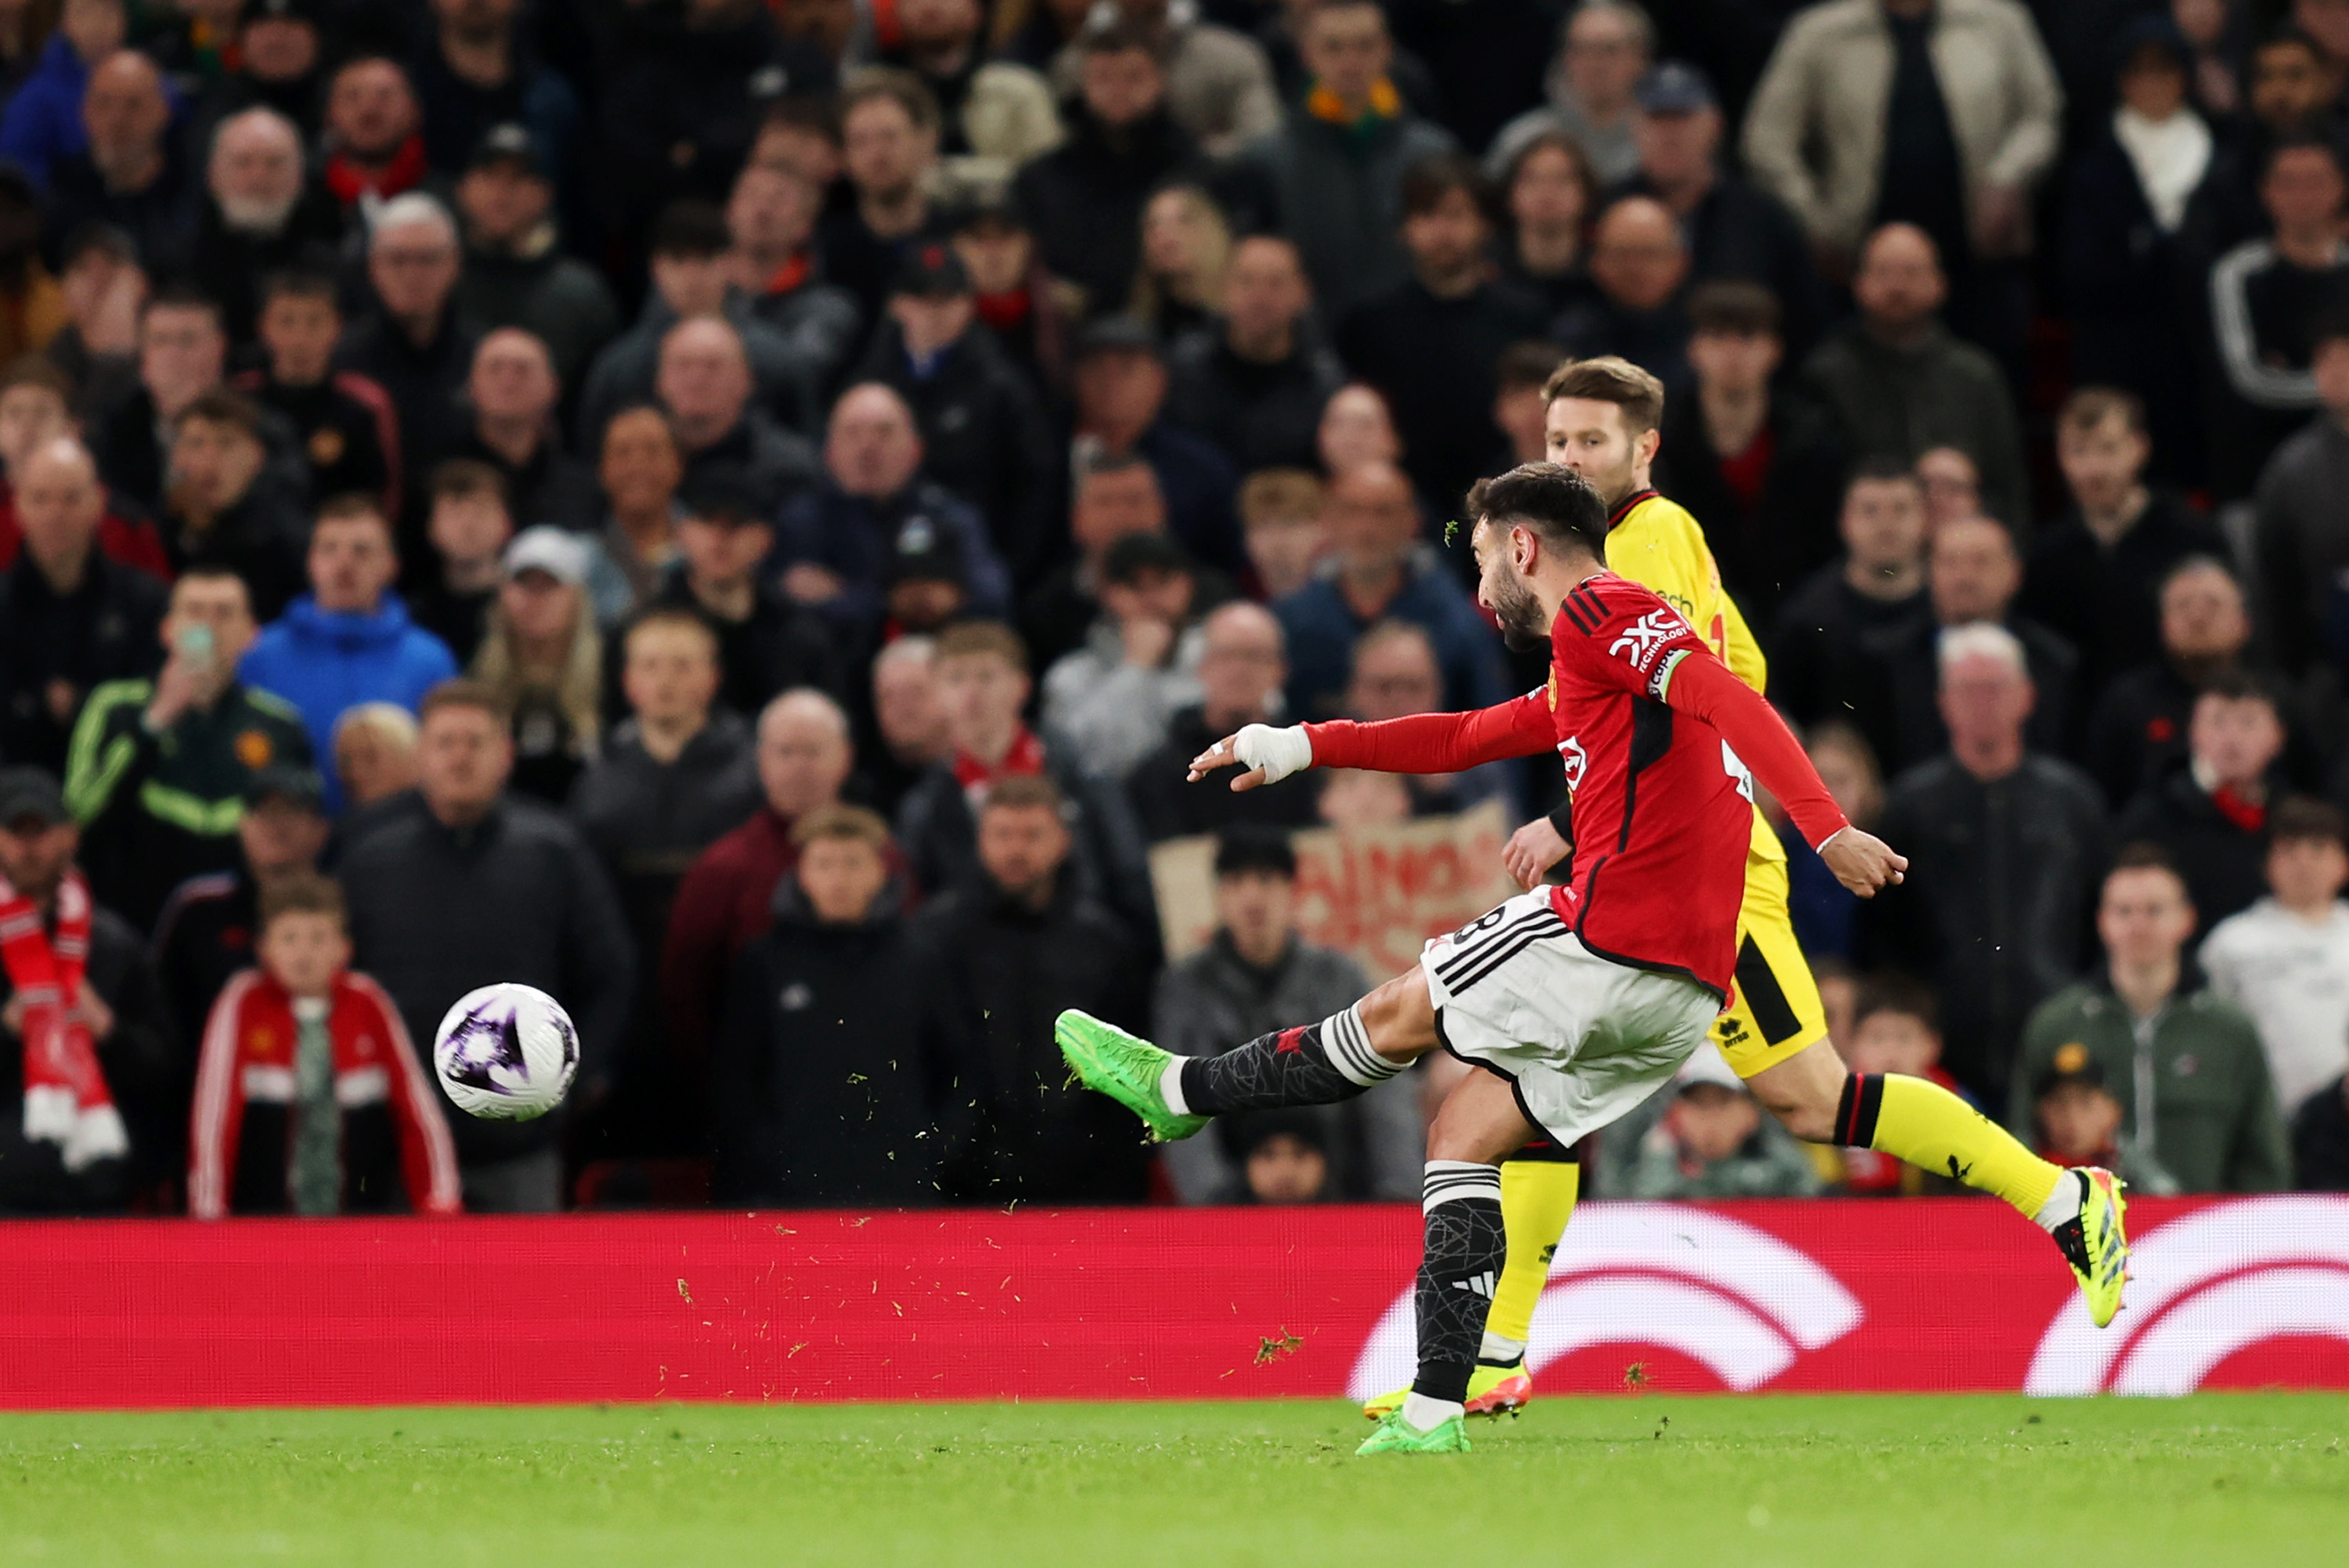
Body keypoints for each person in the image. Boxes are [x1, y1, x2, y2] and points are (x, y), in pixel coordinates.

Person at [1065, 463, 2113, 1458]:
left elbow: (1731, 699)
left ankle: (1181, 1087)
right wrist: (1303, 742)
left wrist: (1825, 824)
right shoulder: (1587, 660)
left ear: (1524, 546)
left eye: (1481, 560)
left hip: (1611, 936)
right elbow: (1473, 733)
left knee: (1394, 1015)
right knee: (1466, 1130)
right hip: (1676, 988)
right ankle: (1443, 1401)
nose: (1478, 589)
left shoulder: (1601, 608)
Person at [336, 679, 633, 1213]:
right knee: (401, 1295)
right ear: (421, 755)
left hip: (521, 1139)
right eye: (445, 742)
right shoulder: (366, 853)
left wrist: (571, 1081)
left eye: (476, 742)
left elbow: (612, 973)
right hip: (397, 1137)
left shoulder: (554, 850)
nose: (460, 757)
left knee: (524, 1291)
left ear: (506, 755)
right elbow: (334, 982)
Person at [1862, 624, 2111, 1103]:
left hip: (2055, 1040)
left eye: (1995, 687)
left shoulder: (2072, 802)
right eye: (1967, 689)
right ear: (1944, 701)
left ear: (2026, 696)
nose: (1982, 702)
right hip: (1941, 1047)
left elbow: (2099, 913)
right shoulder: (1909, 808)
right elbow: (1881, 932)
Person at [1741, 0, 2061, 370]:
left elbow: (2042, 113)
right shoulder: (1819, 32)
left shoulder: (2000, 21)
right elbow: (1766, 140)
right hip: (1851, 261)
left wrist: (2009, 177)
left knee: (1990, 376)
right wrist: (1813, 220)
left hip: (1979, 255)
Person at [710, 803, 973, 1205]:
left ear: (881, 871)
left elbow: (961, 1067)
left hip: (902, 1191)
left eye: (853, 864)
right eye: (825, 864)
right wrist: (767, 1160)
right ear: (802, 874)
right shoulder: (766, 961)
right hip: (790, 1195)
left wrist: (933, 1153)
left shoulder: (920, 959)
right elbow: (737, 1078)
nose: (838, 879)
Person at [568, 608, 760, 1159]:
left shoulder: (750, 778)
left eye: (682, 664)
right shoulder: (595, 784)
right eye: (651, 665)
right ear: (629, 681)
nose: (667, 679)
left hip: (724, 1011)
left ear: (712, 678)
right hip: (628, 1017)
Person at [917, 772, 1150, 1202]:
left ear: (1064, 840)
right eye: (1002, 834)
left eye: (1032, 834)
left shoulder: (1104, 942)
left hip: (1083, 1183)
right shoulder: (936, 937)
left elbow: (1129, 1068)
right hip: (963, 1185)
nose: (1016, 849)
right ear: (980, 840)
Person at [1154, 826, 1416, 1205]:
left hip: (1336, 1186)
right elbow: (1175, 1099)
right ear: (1220, 896)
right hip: (1232, 1193)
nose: (1252, 897)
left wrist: (1399, 1194)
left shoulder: (1340, 978)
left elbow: (1386, 1091)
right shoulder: (1185, 987)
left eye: (1266, 880)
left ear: (1294, 892)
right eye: (1237, 882)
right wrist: (1212, 1204)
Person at [2012, 845, 2291, 1194]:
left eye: (2154, 911)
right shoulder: (2056, 1025)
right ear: (2102, 921)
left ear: (2186, 919)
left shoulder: (2230, 1030)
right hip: (2084, 1236)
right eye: (2124, 911)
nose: (2138, 925)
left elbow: (2262, 1159)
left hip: (2203, 1236)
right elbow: (2019, 1147)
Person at [186, 871, 462, 1218]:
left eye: (318, 939)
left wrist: (440, 1202)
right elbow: (214, 1117)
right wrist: (209, 1212)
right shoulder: (242, 1002)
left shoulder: (369, 1002)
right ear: (264, 949)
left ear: (344, 949)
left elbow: (419, 1113)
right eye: (289, 939)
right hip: (262, 1223)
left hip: (360, 1222)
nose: (304, 953)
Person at [63, 564, 311, 932]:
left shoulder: (280, 723)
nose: (209, 626)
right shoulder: (116, 706)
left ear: (252, 634)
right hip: (131, 921)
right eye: (195, 611)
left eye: (225, 613)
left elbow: (298, 836)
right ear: (167, 629)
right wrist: (154, 723)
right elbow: (79, 817)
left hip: (242, 925)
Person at [894, 619, 1156, 943]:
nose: (971, 694)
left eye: (986, 677)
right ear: (936, 695)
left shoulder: (1083, 773)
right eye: (955, 679)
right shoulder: (925, 804)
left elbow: (1128, 874)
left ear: (1021, 687)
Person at [660, 687, 866, 1073]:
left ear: (846, 758)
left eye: (813, 752)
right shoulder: (722, 869)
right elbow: (685, 996)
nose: (799, 766)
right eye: (785, 752)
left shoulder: (885, 860)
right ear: (761, 762)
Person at [0, 763, 174, 1214]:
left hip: (100, 1188)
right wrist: (5, 1030)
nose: (29, 845)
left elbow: (166, 1066)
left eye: (41, 830)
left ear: (71, 836)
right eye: (15, 831)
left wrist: (110, 1031)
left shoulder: (115, 942)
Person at [1335, 154, 1546, 521]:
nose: (1442, 231)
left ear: (1484, 224)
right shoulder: (1372, 322)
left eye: (1455, 215)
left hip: (1508, 500)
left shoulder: (1524, 319)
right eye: (1427, 215)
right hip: (1403, 506)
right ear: (1405, 228)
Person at [2059, 21, 2213, 486]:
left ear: (2184, 77)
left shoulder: (2220, 153)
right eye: (2139, 72)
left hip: (2196, 343)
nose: (2152, 83)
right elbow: (2078, 265)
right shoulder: (2093, 165)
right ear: (2121, 82)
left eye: (2163, 70)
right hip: (2119, 344)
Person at [1799, 223, 2028, 530]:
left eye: (1911, 273)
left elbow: (2008, 490)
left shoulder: (1976, 376)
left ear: (1940, 284)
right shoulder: (1827, 376)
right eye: (1884, 273)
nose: (1897, 287)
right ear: (1859, 284)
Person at [238, 494, 458, 814]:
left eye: (362, 550)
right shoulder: (260, 654)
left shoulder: (429, 660)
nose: (344, 563)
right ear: (310, 562)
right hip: (291, 835)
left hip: (398, 838)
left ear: (391, 565)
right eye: (329, 549)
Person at [848, 241, 1057, 578]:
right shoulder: (869, 380)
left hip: (970, 562)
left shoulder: (1001, 385)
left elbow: (1032, 482)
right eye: (921, 299)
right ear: (897, 305)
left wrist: (1011, 568)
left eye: (946, 300)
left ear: (967, 306)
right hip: (876, 558)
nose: (934, 312)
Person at [1236, 0, 1455, 320]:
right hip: (1309, 341)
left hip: (1412, 336)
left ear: (1387, 50)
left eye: (1365, 46)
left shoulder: (1433, 154)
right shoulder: (1265, 161)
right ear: (1307, 54)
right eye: (1333, 48)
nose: (1351, 62)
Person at [2019, 388, 2224, 716]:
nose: (2093, 469)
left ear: (2140, 448)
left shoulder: (2192, 539)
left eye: (2108, 450)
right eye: (2079, 452)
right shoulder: (2045, 558)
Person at [1651, 281, 1846, 625]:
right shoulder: (1659, 445)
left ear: (1774, 350)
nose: (1732, 353)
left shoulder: (1815, 440)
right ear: (1694, 350)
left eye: (1747, 337)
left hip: (1796, 622)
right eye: (1717, 337)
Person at [1618, 61, 1826, 356]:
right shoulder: (1608, 211)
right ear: (1634, 127)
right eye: (1657, 118)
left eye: (1683, 118)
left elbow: (1804, 318)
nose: (1670, 134)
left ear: (1715, 124)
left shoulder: (1762, 219)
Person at [1848, 514, 2080, 779]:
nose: (1965, 577)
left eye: (1981, 562)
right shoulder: (1882, 662)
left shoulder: (2053, 662)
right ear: (1929, 571)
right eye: (1950, 562)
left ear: (2015, 572)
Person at [1272, 461, 1506, 721]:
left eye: (1383, 513)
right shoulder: (1292, 622)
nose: (1367, 530)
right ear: (1329, 520)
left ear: (1412, 522)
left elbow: (1496, 728)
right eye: (1353, 512)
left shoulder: (1457, 624)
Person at [576, 200, 815, 452]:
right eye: (678, 260)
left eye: (706, 259)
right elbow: (592, 457)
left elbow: (805, 444)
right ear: (656, 267)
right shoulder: (619, 367)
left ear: (731, 263)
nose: (692, 276)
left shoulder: (775, 360)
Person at [1013, 23, 1204, 319]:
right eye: (1103, 78)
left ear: (1162, 80)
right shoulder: (1041, 180)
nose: (1118, 91)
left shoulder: (1198, 172)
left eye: (1134, 77)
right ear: (1082, 84)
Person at [0, 433, 163, 776]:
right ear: (18, 508)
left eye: (71, 499)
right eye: (40, 499)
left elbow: (156, 706)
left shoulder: (144, 601)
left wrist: (83, 704)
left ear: (98, 503)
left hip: (123, 787)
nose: (55, 514)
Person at [150, 761, 330, 1055]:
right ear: (242, 826)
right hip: (215, 1082)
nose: (277, 826)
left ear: (321, 830)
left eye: (292, 812)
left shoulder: (342, 908)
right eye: (264, 813)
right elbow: (161, 1012)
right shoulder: (197, 907)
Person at [2206, 139, 2349, 499]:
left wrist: (2295, 371)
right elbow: (2249, 379)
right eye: (2288, 183)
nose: (2303, 196)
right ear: (2265, 191)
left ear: (2340, 187)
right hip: (2259, 466)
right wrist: (2335, 388)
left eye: (2316, 181)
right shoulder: (2237, 274)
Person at [647, 467, 840, 723]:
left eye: (736, 523)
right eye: (708, 520)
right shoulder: (646, 632)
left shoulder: (800, 637)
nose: (720, 537)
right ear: (682, 533)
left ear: (765, 539)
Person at [334, 193, 478, 530]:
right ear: (374, 268)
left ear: (454, 264)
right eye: (398, 260)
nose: (413, 275)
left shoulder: (484, 360)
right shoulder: (342, 361)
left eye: (428, 260)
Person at [2200, 796, 2349, 1121]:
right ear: (2268, 863)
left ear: (2343, 862)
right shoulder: (2233, 943)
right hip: (2267, 1118)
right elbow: (2213, 1034)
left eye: (2318, 848)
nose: (2304, 863)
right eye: (2290, 850)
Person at [447, 123, 617, 398]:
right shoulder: (435, 284)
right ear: (463, 189)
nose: (501, 192)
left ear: (545, 195)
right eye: (489, 175)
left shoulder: (582, 295)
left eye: (518, 178)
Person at [1129, 600, 1318, 843]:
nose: (1239, 669)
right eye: (1227, 655)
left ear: (1280, 671)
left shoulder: (1308, 769)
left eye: (1254, 656)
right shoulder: (1157, 777)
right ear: (1202, 666)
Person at [2116, 671, 2288, 935]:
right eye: (2218, 722)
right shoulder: (2153, 816)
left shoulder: (2294, 817)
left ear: (2278, 737)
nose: (2232, 738)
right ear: (2193, 733)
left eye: (2248, 723)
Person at [1069, 316, 1243, 577]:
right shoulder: (1046, 458)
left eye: (1127, 369)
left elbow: (1227, 562)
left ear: (1159, 380)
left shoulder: (1202, 469)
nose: (1110, 382)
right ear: (1076, 380)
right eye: (1097, 369)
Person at [1163, 232, 1342, 478]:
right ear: (1223, 290)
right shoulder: (1181, 375)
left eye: (1275, 283)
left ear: (1303, 293)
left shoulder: (1327, 386)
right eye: (1246, 281)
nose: (1260, 297)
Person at [2084, 556, 2257, 809]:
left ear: (2245, 623)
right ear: (2163, 625)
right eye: (2184, 605)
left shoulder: (2274, 701)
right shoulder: (2127, 702)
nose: (2198, 618)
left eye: (2213, 605)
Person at [233, 268, 399, 518]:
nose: (300, 338)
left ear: (337, 327)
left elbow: (385, 496)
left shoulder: (364, 403)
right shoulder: (238, 400)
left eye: (315, 322)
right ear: (263, 327)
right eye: (286, 322)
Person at [175, 105, 343, 350]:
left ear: (299, 177)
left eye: (274, 163)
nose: (259, 178)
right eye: (243, 163)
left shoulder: (334, 270)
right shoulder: (178, 267)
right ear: (213, 176)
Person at [1039, 531, 1203, 782]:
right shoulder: (1071, 676)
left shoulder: (1220, 657)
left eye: (1163, 582)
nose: (1150, 598)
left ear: (1187, 585)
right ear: (1108, 594)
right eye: (1134, 586)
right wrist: (1136, 668)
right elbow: (1082, 761)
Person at [470, 525, 604, 805]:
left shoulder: (609, 675)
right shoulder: (478, 679)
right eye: (523, 584)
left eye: (549, 586)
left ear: (577, 597)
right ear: (503, 594)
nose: (535, 598)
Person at [1047, 0, 1279, 160]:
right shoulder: (1072, 67)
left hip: (1205, 194)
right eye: (1104, 78)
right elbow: (1054, 153)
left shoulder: (1228, 58)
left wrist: (1196, 157)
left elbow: (1264, 141)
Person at [158, 387, 311, 622]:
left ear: (256, 457)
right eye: (197, 444)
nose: (211, 460)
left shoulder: (285, 542)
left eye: (226, 443)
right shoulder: (162, 530)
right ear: (177, 456)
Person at [2252, 310, 2349, 677]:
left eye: (2345, 356)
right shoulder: (2291, 469)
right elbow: (2275, 586)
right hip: (2328, 672)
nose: (2335, 369)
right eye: (2324, 358)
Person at [818, 69, 948, 333]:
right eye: (860, 141)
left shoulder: (958, 240)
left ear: (926, 142)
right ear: (843, 157)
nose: (876, 154)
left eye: (889, 137)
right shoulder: (826, 251)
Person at [42, 50, 197, 272]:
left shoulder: (191, 187)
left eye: (134, 105)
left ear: (163, 111)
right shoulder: (61, 193)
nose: (117, 120)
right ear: (85, 112)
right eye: (103, 104)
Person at [651, 315, 821, 517]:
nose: (696, 379)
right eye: (683, 365)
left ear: (746, 380)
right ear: (659, 381)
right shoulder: (638, 466)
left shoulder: (790, 473)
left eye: (713, 366)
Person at [723, 158, 863, 402]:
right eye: (751, 195)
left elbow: (798, 375)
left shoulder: (829, 307)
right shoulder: (695, 290)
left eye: (779, 200)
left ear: (805, 225)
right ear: (729, 212)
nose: (763, 210)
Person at [90, 286, 229, 517]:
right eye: (160, 341)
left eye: (187, 341)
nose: (174, 355)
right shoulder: (112, 434)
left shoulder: (259, 429)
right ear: (143, 356)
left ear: (219, 347)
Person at [1618, 1045, 1823, 1199]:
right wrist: (1658, 1155)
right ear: (1676, 1112)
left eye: (1722, 1103)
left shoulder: (1781, 1164)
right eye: (1698, 1104)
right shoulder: (1651, 1155)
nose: (1709, 1120)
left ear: (1750, 1111)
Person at [1487, 0, 1651, 189]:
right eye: (1581, 50)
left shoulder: (1663, 144)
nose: (1596, 64)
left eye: (1610, 50)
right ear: (1565, 59)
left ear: (1641, 59)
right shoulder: (1522, 142)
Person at [449, 327, 597, 534]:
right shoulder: (443, 482)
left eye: (522, 370)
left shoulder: (584, 492)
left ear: (553, 388)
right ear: (471, 384)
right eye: (495, 369)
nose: (508, 382)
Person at [1550, 193, 1694, 386]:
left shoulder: (1703, 338)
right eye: (1621, 254)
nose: (1635, 268)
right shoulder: (1571, 340)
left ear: (1681, 263)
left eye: (1649, 254)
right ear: (1596, 262)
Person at [2026, 1045, 2181, 1198]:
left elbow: (2169, 1199)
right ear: (2039, 1111)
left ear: (2113, 1111)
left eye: (2085, 1104)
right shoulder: (2019, 1165)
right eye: (2059, 1103)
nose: (2071, 1117)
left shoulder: (2137, 1175)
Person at [406, 458, 511, 665]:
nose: (468, 525)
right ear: (431, 528)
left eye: (481, 511)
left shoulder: (524, 611)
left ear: (507, 524)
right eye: (454, 514)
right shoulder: (412, 617)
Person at [591, 405, 684, 622]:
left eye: (653, 451)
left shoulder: (708, 553)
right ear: (602, 469)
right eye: (623, 453)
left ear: (678, 465)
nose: (638, 466)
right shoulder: (581, 562)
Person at [1493, 129, 1597, 316]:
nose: (1547, 191)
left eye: (1562, 179)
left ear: (1586, 194)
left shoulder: (1604, 275)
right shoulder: (1486, 272)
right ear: (1510, 195)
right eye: (1532, 179)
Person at [1128, 181, 1229, 344]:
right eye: (1153, 225)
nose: (1164, 236)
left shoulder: (1236, 320)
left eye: (1183, 221)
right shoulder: (1142, 326)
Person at [864, 635, 953, 820]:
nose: (904, 707)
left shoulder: (972, 781)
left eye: (916, 692)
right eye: (889, 696)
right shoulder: (865, 797)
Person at [1237, 468, 1325, 601]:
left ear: (1322, 529)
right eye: (1262, 527)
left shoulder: (1349, 600)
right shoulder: (1234, 597)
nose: (1277, 542)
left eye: (1290, 524)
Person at [330, 702, 418, 813]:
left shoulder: (440, 820)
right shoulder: (343, 827)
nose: (356, 773)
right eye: (346, 762)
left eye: (370, 758)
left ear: (409, 759)